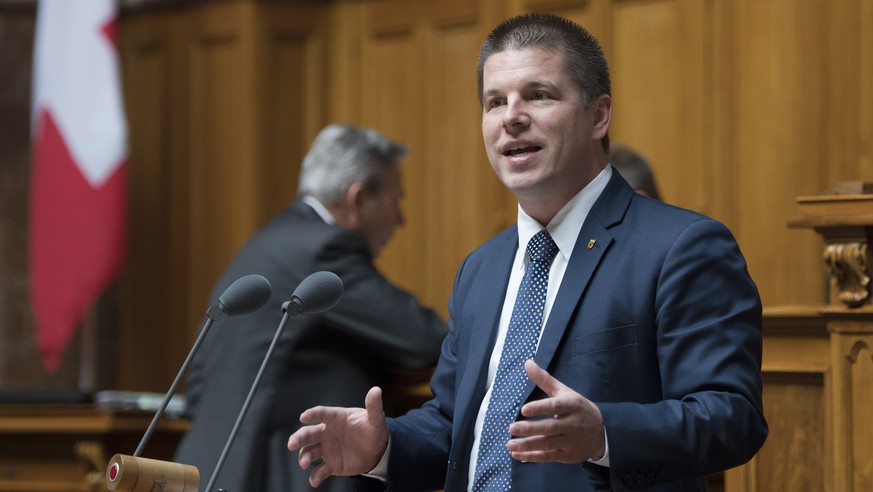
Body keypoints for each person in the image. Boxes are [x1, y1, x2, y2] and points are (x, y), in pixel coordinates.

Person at [288, 13, 767, 492]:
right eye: (495, 102)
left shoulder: (681, 246)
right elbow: (455, 426)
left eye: (538, 95)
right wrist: (385, 447)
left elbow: (732, 416)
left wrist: (604, 432)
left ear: (599, 116)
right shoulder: (481, 267)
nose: (511, 117)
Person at [173, 124, 448, 492]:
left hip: (209, 468)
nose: (400, 220)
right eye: (396, 201)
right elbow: (423, 338)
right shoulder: (324, 250)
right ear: (359, 198)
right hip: (272, 474)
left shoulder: (265, 243)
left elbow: (200, 379)